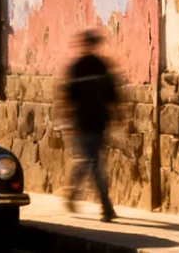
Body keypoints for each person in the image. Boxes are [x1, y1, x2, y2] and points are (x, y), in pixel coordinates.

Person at [62, 29, 119, 221]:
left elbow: (112, 94)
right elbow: (68, 98)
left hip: (98, 123)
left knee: (88, 162)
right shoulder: (81, 68)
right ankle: (106, 207)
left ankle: (72, 192)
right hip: (84, 123)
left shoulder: (96, 66)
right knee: (94, 163)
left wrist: (118, 116)